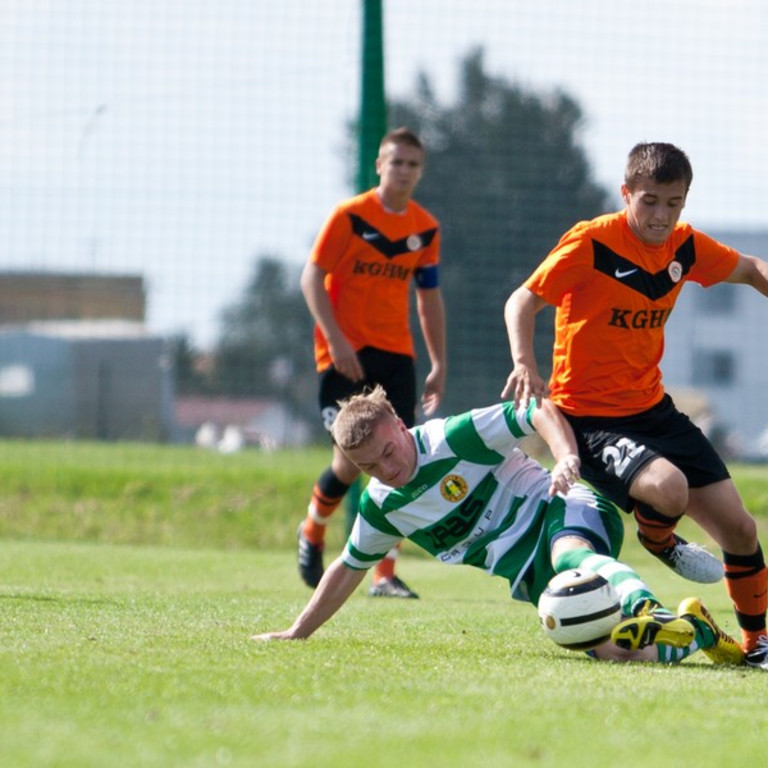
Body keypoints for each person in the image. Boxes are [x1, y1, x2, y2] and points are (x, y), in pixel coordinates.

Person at [501, 141, 768, 669]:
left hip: (653, 411)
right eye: (649, 201)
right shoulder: (591, 242)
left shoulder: (685, 248)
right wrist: (524, 362)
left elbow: (753, 268)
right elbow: (522, 300)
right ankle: (659, 538)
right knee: (667, 489)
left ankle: (758, 645)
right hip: (589, 418)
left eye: (674, 203)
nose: (660, 216)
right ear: (626, 193)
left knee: (741, 530)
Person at [254, 385, 744, 667]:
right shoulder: (381, 504)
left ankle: (647, 607)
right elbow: (348, 566)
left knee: (568, 555)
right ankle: (696, 630)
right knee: (615, 653)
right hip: (532, 577)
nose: (386, 469)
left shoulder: (453, 438)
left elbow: (537, 410)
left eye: (388, 450)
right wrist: (297, 633)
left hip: (564, 505)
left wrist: (566, 456)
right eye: (369, 467)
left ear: (401, 426)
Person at [297, 127, 447, 599]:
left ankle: (384, 574)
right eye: (395, 162)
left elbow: (429, 299)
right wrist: (336, 341)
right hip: (343, 356)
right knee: (348, 464)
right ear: (379, 165)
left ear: (420, 172)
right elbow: (311, 279)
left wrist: (438, 362)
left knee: (399, 456)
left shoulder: (425, 228)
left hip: (396, 355)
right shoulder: (349, 217)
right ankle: (314, 529)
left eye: (412, 165)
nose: (403, 171)